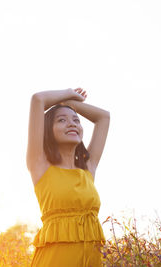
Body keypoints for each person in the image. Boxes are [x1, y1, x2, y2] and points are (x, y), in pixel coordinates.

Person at [26, 88, 110, 267]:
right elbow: (37, 100)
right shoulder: (39, 165)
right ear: (48, 130)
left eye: (76, 120)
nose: (72, 124)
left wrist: (71, 105)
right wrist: (69, 94)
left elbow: (103, 117)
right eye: (61, 120)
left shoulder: (88, 168)